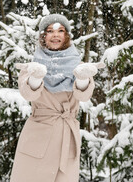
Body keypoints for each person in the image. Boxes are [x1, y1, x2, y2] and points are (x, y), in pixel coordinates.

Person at [10, 14, 104, 182]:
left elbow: (83, 95)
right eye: (50, 31)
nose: (55, 35)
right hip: (38, 135)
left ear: (66, 35)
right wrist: (35, 78)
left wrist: (82, 79)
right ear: (43, 36)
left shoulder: (79, 66)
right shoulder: (32, 66)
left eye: (60, 31)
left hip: (67, 138)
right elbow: (28, 93)